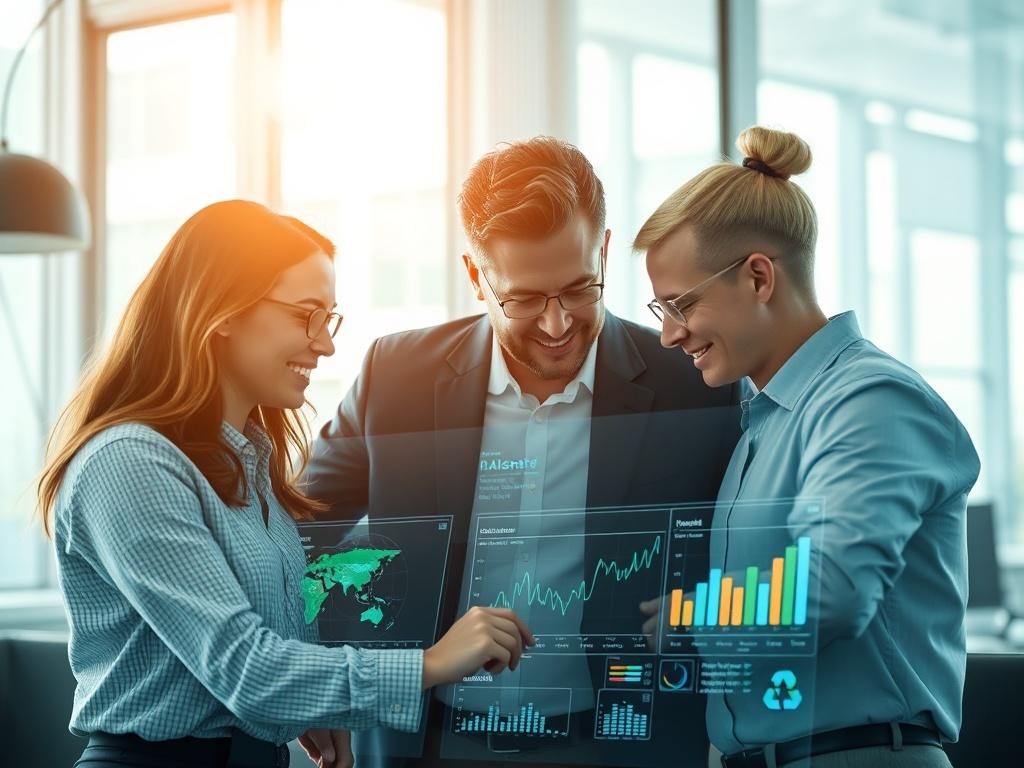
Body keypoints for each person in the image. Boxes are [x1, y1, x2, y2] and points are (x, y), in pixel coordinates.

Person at [38, 200, 534, 768]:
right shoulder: (130, 464)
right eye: (306, 315)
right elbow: (245, 668)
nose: (324, 344)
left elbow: (264, 653)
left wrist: (317, 705)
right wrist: (432, 663)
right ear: (221, 309)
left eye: (330, 319)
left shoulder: (248, 467)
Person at [304, 137, 741, 767]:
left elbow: (758, 547)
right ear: (476, 276)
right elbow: (296, 538)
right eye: (525, 299)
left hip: (617, 745)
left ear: (606, 252)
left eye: (578, 288)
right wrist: (322, 687)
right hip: (426, 744)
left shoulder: (693, 386)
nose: (558, 324)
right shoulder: (395, 376)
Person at [634, 126, 980, 768]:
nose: (669, 335)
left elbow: (833, 588)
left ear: (759, 277)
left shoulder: (869, 400)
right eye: (660, 309)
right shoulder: (762, 424)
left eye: (680, 304)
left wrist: (687, 621)